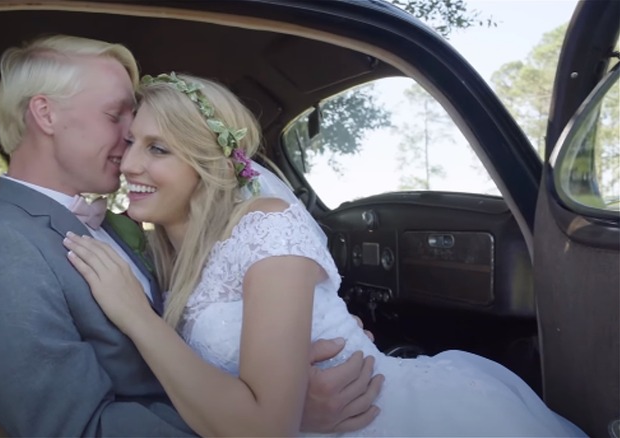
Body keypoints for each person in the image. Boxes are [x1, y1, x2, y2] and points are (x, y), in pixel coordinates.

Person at [63, 72, 588, 437]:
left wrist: (136, 315)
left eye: (157, 148)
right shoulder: (168, 249)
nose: (128, 163)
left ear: (209, 162)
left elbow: (264, 428)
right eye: (129, 142)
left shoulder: (267, 229)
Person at [0, 35, 382, 437]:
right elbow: (82, 430)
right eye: (115, 116)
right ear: (45, 113)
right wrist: (272, 416)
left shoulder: (129, 224)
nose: (128, 146)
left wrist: (292, 358)